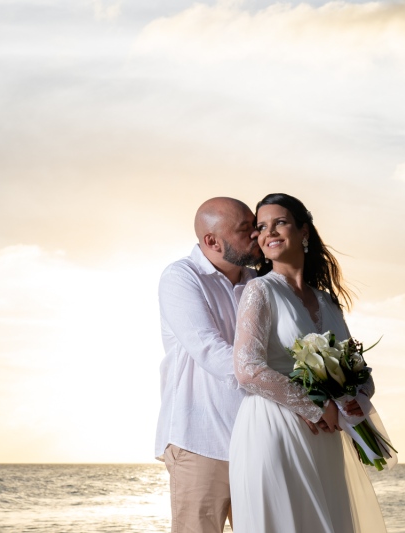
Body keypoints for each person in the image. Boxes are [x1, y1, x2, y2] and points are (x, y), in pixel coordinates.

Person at [229, 193, 386, 532]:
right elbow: (248, 369)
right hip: (274, 430)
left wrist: (351, 401)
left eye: (280, 222)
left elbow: (357, 370)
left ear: (304, 232)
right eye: (261, 226)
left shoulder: (327, 301)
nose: (269, 232)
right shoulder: (259, 292)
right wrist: (316, 407)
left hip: (326, 437)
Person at [156, 197, 262, 533]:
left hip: (256, 439)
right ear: (212, 241)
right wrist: (284, 387)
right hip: (199, 442)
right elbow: (207, 348)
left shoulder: (259, 283)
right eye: (246, 230)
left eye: (255, 226)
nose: (257, 235)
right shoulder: (180, 277)